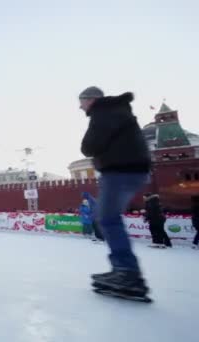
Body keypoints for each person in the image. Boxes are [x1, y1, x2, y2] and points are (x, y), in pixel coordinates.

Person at [79, 86, 151, 298]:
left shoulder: (103, 111)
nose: (80, 106)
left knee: (107, 219)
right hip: (133, 170)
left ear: (90, 100)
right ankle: (125, 270)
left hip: (119, 170)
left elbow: (89, 146)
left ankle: (127, 273)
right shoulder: (118, 110)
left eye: (81, 101)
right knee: (108, 218)